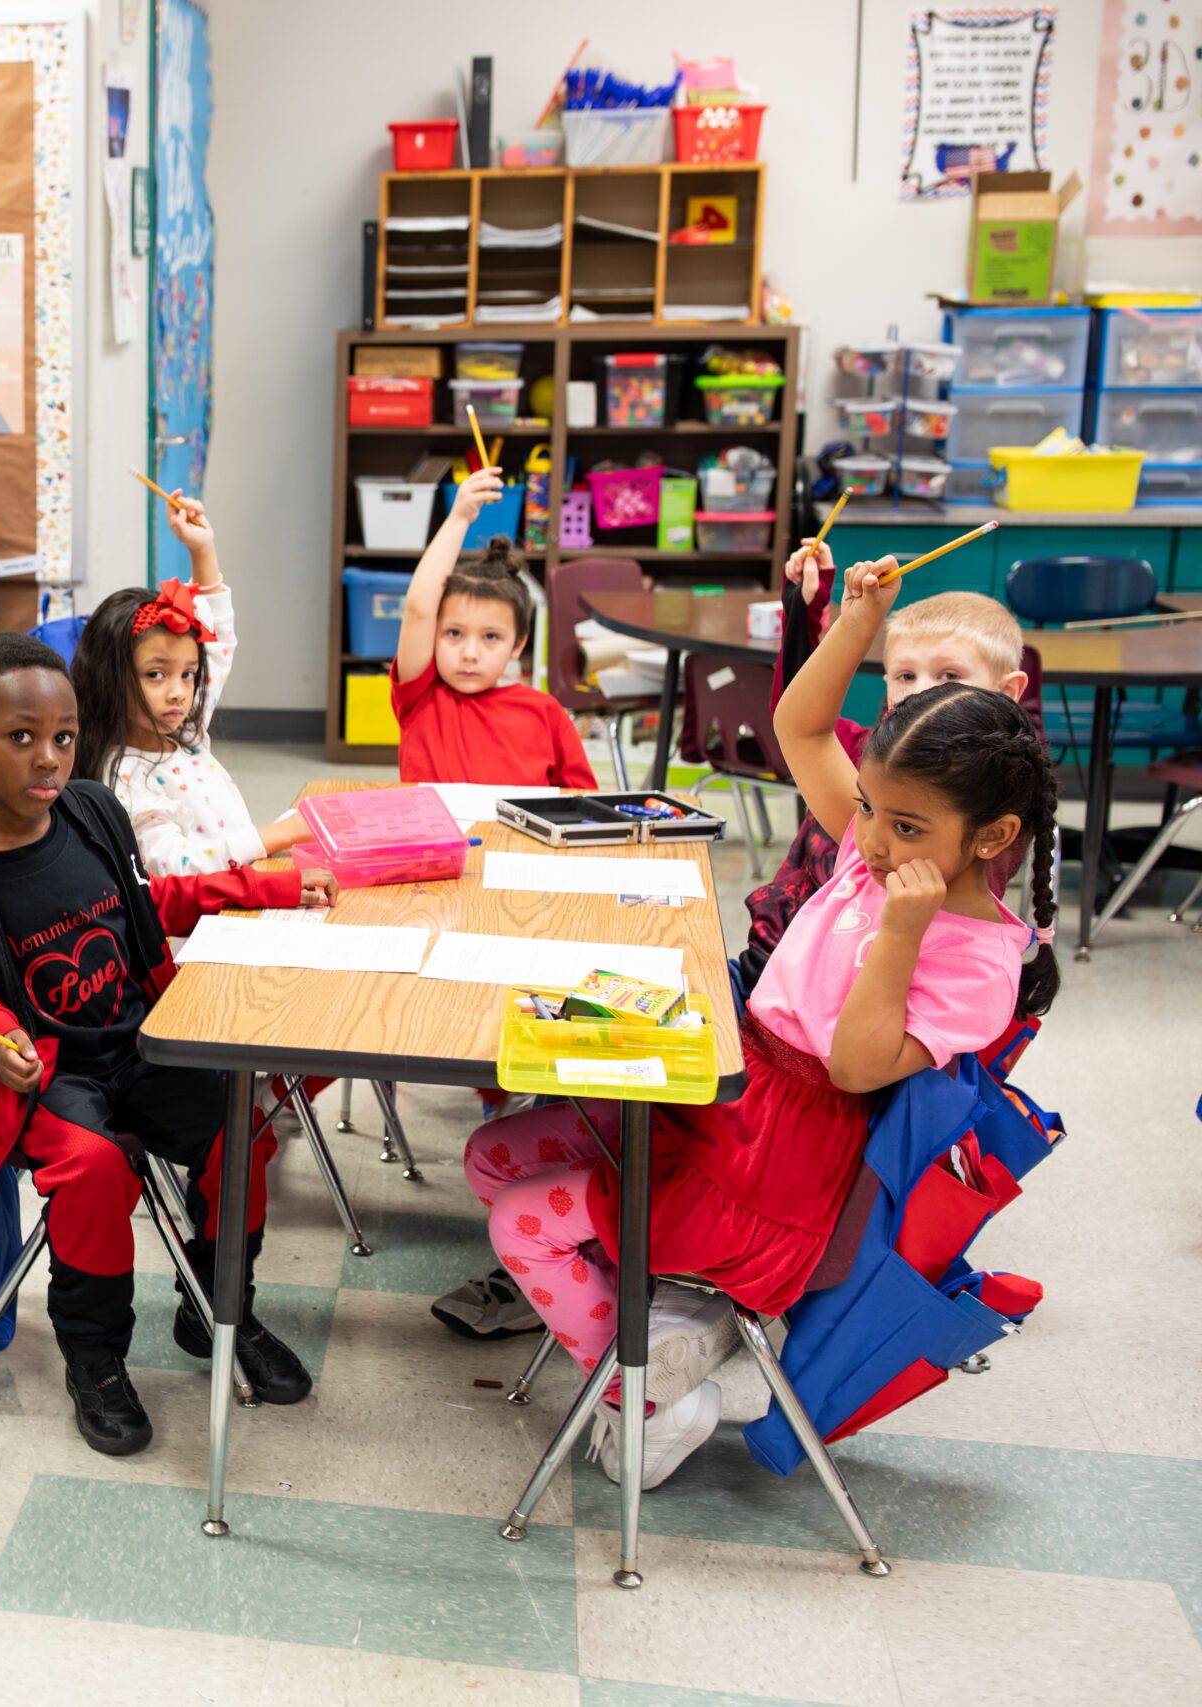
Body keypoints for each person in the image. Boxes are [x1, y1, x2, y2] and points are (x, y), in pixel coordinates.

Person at [459, 557, 1060, 1490]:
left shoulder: (977, 956)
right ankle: (673, 1329)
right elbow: (800, 725)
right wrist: (859, 622)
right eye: (866, 807)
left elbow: (860, 1068)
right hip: (733, 1072)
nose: (866, 840)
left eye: (902, 827)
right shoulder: (879, 849)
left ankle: (646, 1391)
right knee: (490, 1153)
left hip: (776, 1161)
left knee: (519, 1215)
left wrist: (900, 931)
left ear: (989, 838)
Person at [0, 633, 335, 1457]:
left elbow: (148, 902)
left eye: (63, 736)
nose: (49, 758)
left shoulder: (95, 811)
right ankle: (95, 1359)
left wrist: (266, 885)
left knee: (239, 1130)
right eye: (20, 736)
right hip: (50, 1075)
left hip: (141, 1039)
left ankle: (218, 1309)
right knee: (94, 1170)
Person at [738, 539, 1033, 990]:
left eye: (949, 676)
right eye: (905, 676)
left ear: (1007, 689)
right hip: (782, 957)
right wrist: (822, 610)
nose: (920, 691)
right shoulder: (872, 750)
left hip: (841, 990)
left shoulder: (980, 808)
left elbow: (803, 728)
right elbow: (799, 716)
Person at [71, 491, 308, 875]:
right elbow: (176, 869)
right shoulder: (123, 777)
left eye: (188, 674)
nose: (179, 692)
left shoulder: (184, 731)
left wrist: (203, 549)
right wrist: (277, 836)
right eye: (155, 674)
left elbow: (219, 642)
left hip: (242, 893)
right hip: (200, 929)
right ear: (109, 680)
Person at [392, 467, 596, 788]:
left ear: (517, 644)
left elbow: (580, 803)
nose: (469, 654)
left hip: (514, 840)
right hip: (441, 838)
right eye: (454, 633)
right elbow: (419, 608)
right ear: (434, 633)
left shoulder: (545, 713)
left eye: (490, 637)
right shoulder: (422, 698)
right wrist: (459, 517)